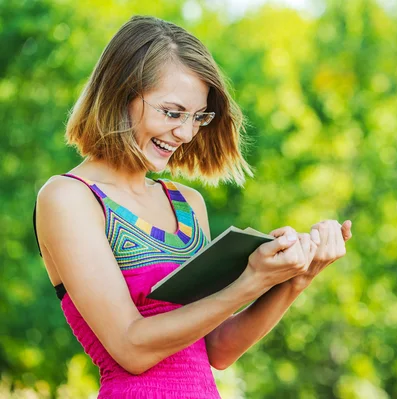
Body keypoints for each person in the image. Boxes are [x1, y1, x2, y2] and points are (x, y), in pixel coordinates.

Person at [33, 15, 352, 398]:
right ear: (121, 95)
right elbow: (132, 348)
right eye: (171, 112)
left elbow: (216, 348)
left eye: (197, 117)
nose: (185, 133)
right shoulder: (70, 198)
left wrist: (294, 279)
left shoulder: (187, 204)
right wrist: (252, 281)